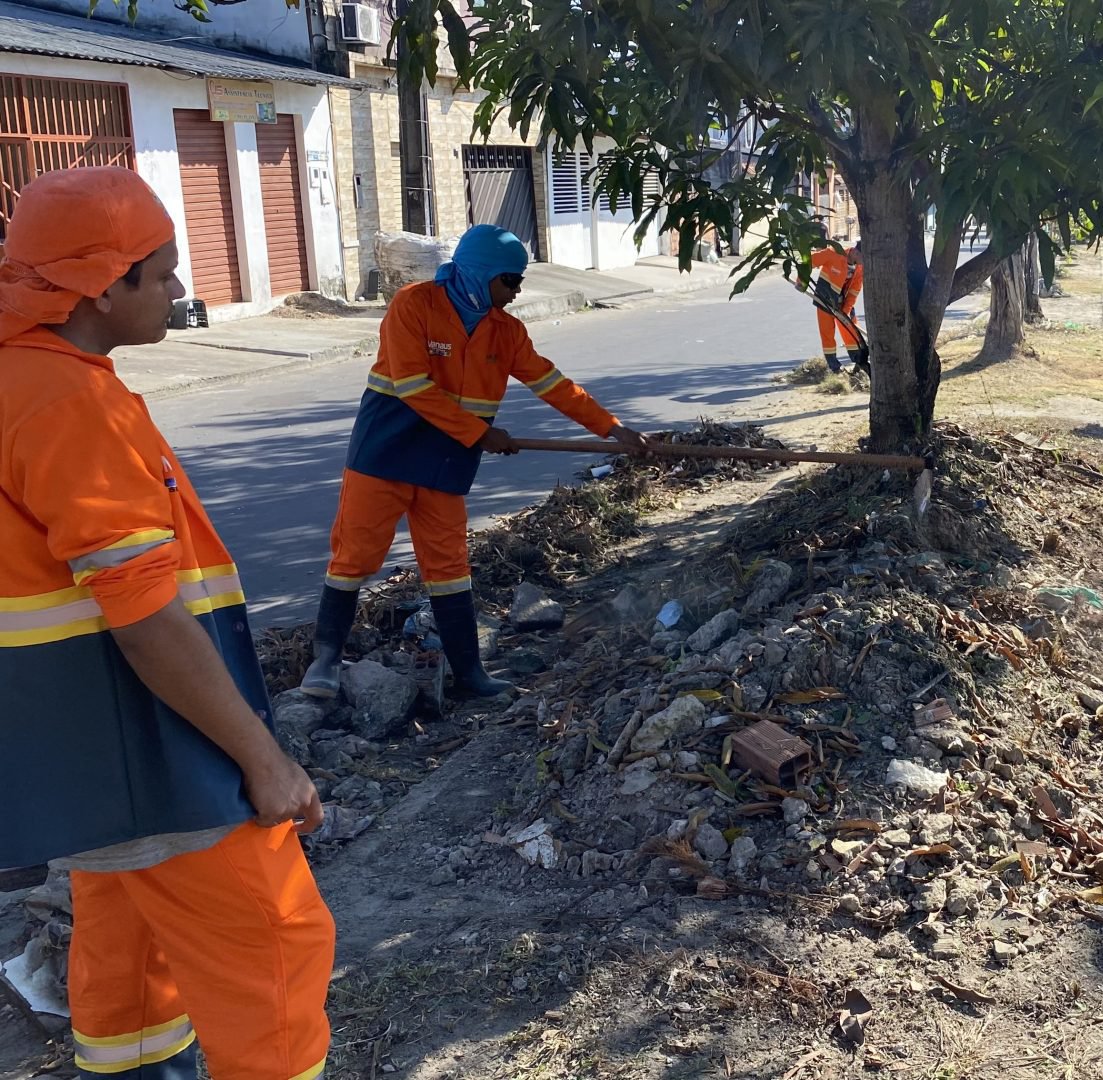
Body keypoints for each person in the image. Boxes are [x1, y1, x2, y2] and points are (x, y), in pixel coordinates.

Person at [0, 167, 332, 1079]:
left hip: (81, 764)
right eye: (164, 271)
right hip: (149, 748)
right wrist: (265, 762)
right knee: (276, 948)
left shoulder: (22, 378)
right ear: (102, 287)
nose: (181, 291)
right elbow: (145, 617)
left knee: (128, 959)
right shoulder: (68, 402)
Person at [301, 224, 648, 699]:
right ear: (480, 273)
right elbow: (411, 384)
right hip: (386, 449)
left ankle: (469, 673)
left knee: (449, 566)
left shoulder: (506, 332)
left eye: (519, 281)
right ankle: (325, 660)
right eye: (509, 280)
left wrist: (613, 428)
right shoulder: (413, 305)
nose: (516, 291)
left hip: (447, 459)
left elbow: (553, 385)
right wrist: (482, 433)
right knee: (356, 555)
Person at [809, 240, 864, 374]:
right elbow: (808, 261)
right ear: (856, 252)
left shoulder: (860, 268)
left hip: (843, 302)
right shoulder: (833, 253)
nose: (866, 261)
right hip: (825, 299)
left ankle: (859, 360)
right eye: (864, 257)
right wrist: (801, 281)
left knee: (851, 330)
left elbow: (854, 291)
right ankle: (834, 365)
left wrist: (846, 310)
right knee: (827, 331)